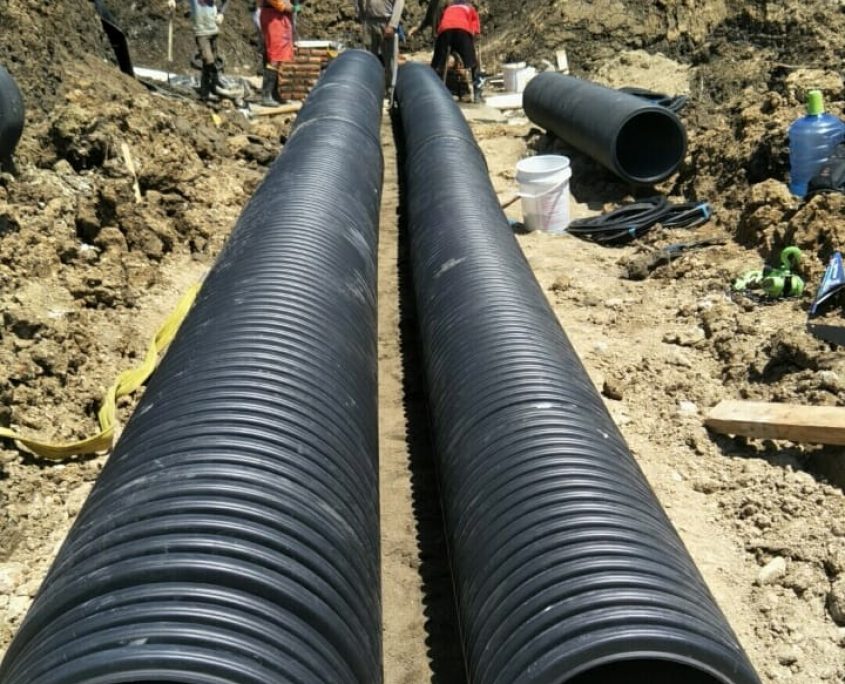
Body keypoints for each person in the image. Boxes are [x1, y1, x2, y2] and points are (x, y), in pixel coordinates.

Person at [169, 0, 231, 101]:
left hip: (214, 30)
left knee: (214, 61)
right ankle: (206, 92)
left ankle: (211, 88)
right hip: (201, 32)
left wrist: (221, 13)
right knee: (208, 60)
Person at [429, 0, 482, 102]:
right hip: (462, 30)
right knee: (473, 64)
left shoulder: (448, 8)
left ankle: (432, 90)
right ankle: (477, 93)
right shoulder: (471, 9)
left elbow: (440, 24)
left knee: (437, 64)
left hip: (445, 30)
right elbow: (476, 30)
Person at [355, 0, 404, 96]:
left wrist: (393, 25)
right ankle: (369, 88)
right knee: (367, 57)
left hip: (386, 22)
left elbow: (399, 3)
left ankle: (391, 90)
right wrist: (361, 15)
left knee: (390, 58)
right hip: (369, 22)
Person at [258, 0, 296, 106]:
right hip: (273, 18)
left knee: (278, 57)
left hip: (278, 17)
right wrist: (293, 8)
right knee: (274, 56)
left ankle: (274, 93)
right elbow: (281, 4)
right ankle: (266, 95)